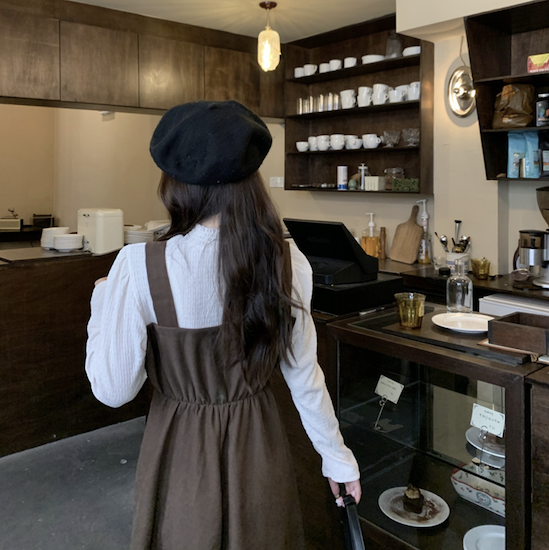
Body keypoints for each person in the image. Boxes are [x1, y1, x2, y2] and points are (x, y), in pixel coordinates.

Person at [85, 100, 360, 550]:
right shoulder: (287, 260)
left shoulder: (138, 266)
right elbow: (304, 375)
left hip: (179, 449)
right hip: (259, 444)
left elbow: (113, 390)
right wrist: (338, 459)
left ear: (176, 185)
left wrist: (103, 301)